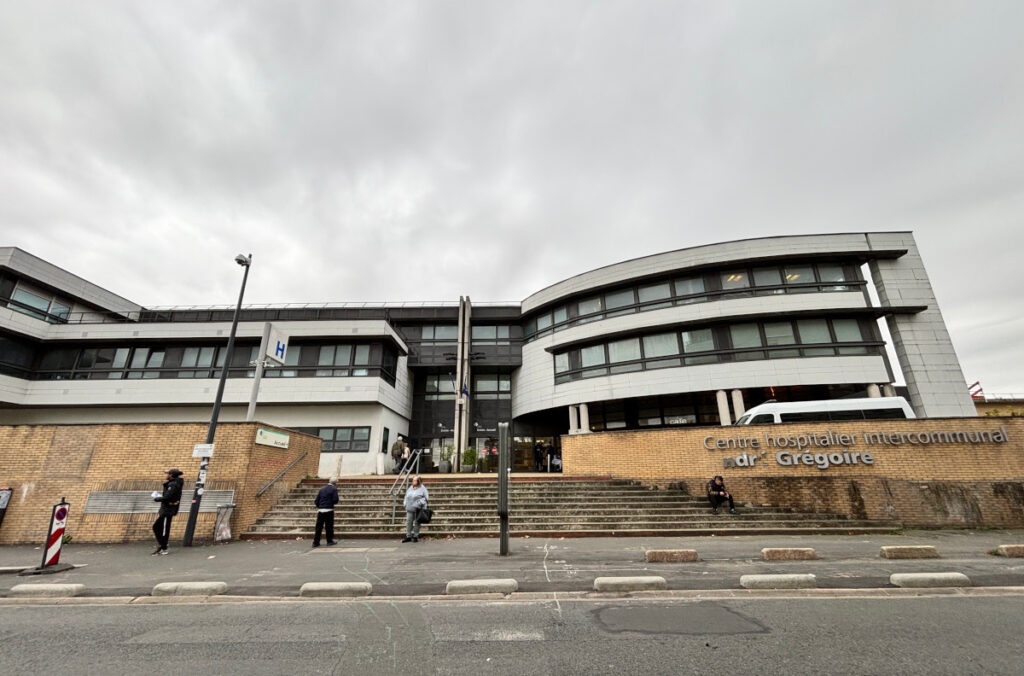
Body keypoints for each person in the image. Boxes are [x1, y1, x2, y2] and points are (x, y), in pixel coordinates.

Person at [151, 468, 184, 556]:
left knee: (162, 529)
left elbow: (168, 497)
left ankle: (163, 547)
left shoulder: (173, 485)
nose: (166, 475)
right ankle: (162, 546)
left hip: (168, 510)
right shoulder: (172, 484)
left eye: (168, 474)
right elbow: (168, 496)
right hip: (166, 509)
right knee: (159, 527)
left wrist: (157, 498)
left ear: (171, 475)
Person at [312, 477, 339, 548]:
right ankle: (329, 541)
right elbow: (335, 500)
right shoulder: (334, 489)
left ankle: (316, 542)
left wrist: (320, 506)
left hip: (320, 510)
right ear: (335, 483)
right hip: (329, 510)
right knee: (329, 526)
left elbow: (316, 501)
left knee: (319, 527)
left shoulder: (322, 489)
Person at [402, 475, 429, 543]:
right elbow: (406, 496)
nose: (413, 481)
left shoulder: (422, 488)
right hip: (409, 508)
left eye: (415, 480)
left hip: (418, 509)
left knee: (417, 523)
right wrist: (405, 503)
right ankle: (408, 536)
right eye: (413, 480)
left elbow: (426, 498)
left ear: (418, 481)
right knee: (409, 522)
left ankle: (415, 536)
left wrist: (420, 502)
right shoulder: (410, 488)